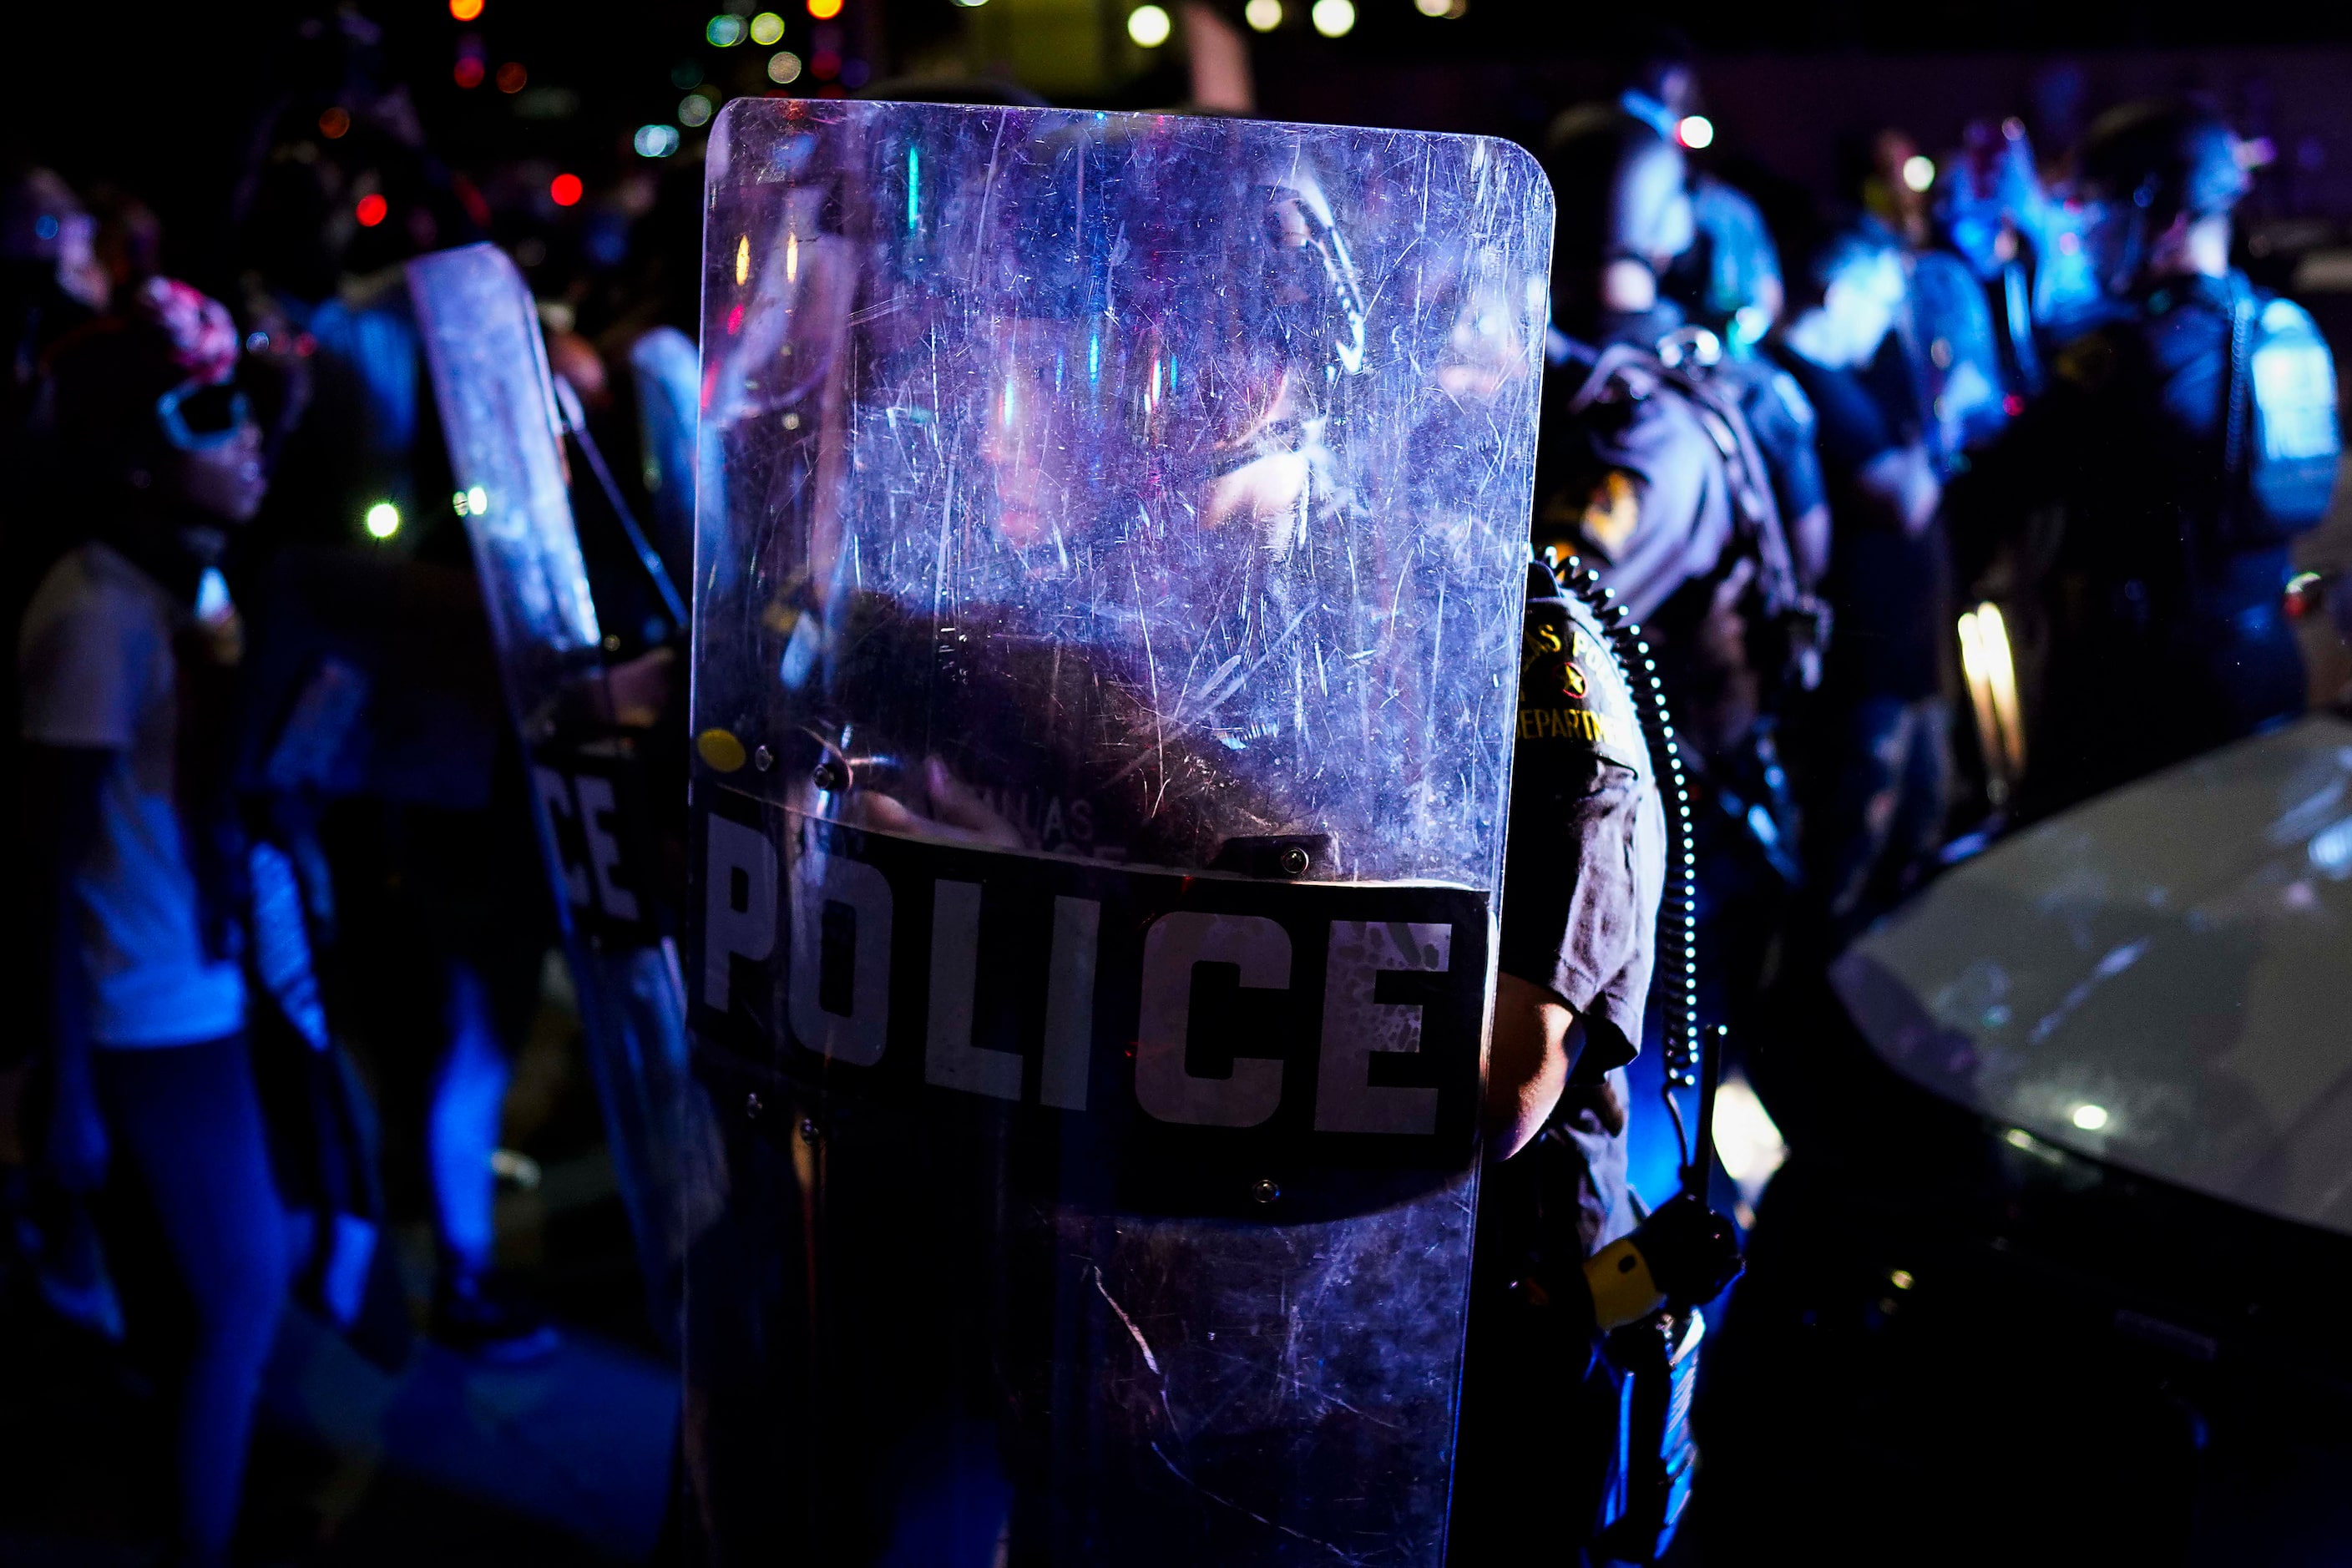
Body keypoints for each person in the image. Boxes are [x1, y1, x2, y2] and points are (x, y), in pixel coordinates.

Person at [18, 276, 289, 1568]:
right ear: (134, 463)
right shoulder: (90, 613)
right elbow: (40, 857)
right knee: (241, 1288)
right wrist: (63, 1084)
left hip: (196, 975)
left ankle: (197, 1515)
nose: (246, 436)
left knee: (203, 1303)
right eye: (211, 413)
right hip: (141, 1003)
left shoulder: (182, 579)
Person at [1950, 99, 2340, 816]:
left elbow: (1997, 486)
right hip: (2266, 666)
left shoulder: (2128, 360)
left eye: (2099, 213)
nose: (2087, 234)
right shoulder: (2281, 327)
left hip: (2144, 695)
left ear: (2161, 219)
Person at [1769, 225, 1953, 948]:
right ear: (1840, 293)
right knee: (1847, 854)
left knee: (1915, 835)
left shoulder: (1853, 376)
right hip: (1862, 669)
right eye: (1879, 301)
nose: (1886, 321)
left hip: (1904, 665)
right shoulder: (1797, 382)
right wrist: (1939, 428)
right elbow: (1905, 499)